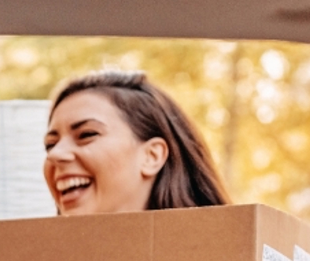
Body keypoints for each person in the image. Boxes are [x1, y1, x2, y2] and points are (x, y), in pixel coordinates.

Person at [43, 70, 229, 215]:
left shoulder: (234, 258)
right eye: (50, 144)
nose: (55, 154)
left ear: (151, 156)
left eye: (86, 134)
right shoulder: (27, 259)